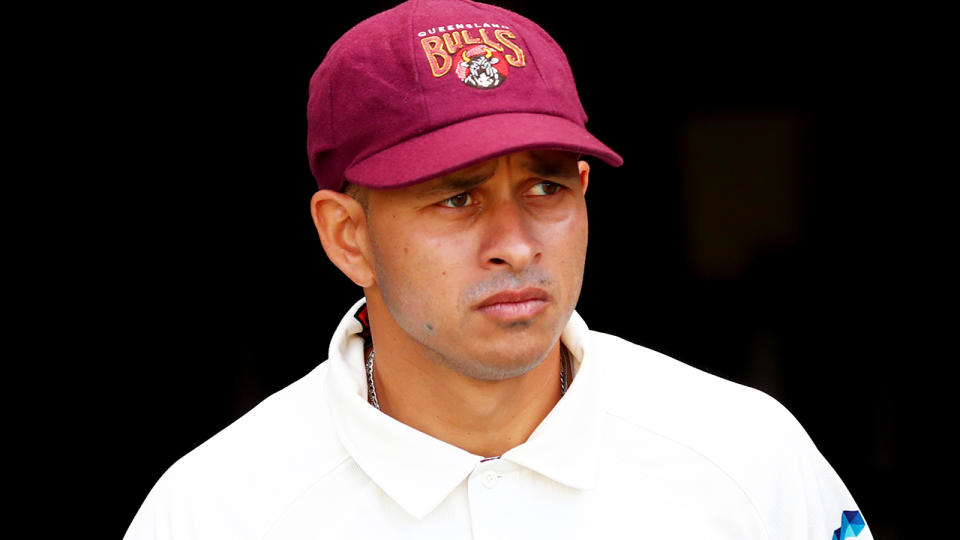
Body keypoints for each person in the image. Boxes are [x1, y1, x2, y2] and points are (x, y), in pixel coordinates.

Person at [125, 1, 872, 538]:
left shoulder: (743, 452)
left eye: (546, 187)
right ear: (348, 237)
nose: (515, 243)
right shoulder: (217, 511)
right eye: (456, 199)